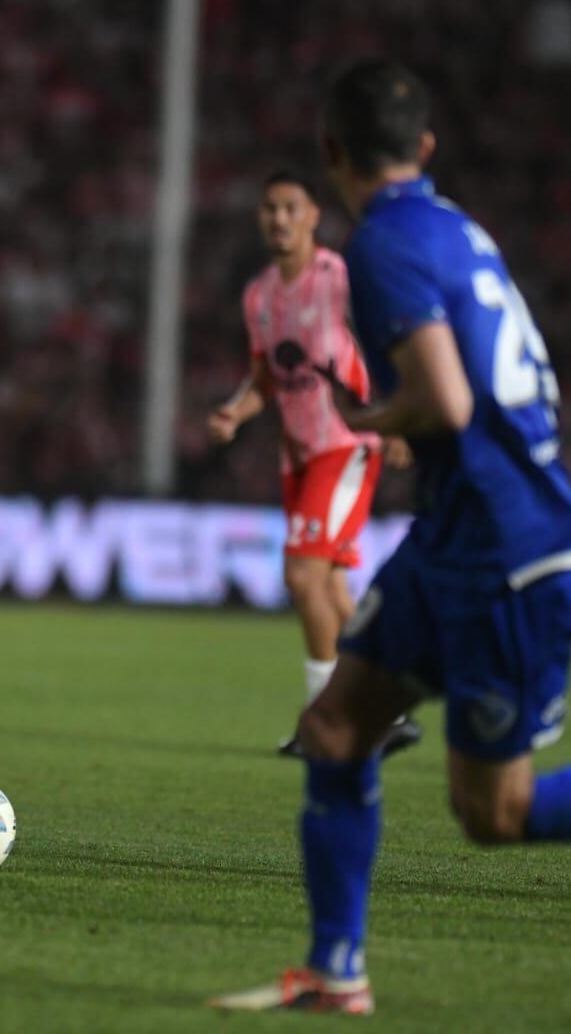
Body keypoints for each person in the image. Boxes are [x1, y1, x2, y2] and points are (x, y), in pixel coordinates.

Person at [213, 59, 571, 1016]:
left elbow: (447, 402)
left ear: (332, 152)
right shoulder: (457, 226)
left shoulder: (378, 248)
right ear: (423, 147)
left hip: (505, 549)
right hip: (461, 533)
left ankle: (337, 968)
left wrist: (371, 421)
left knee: (491, 814)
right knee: (335, 727)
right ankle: (336, 974)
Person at [208, 171, 419, 758]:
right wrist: (234, 413)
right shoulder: (259, 295)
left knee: (302, 576)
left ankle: (328, 723)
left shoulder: (340, 279)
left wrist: (398, 418)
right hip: (297, 454)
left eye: (289, 208)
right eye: (269, 208)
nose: (278, 218)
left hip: (347, 444)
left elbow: (391, 343)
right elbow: (264, 382)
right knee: (329, 588)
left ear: (312, 216)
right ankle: (388, 710)